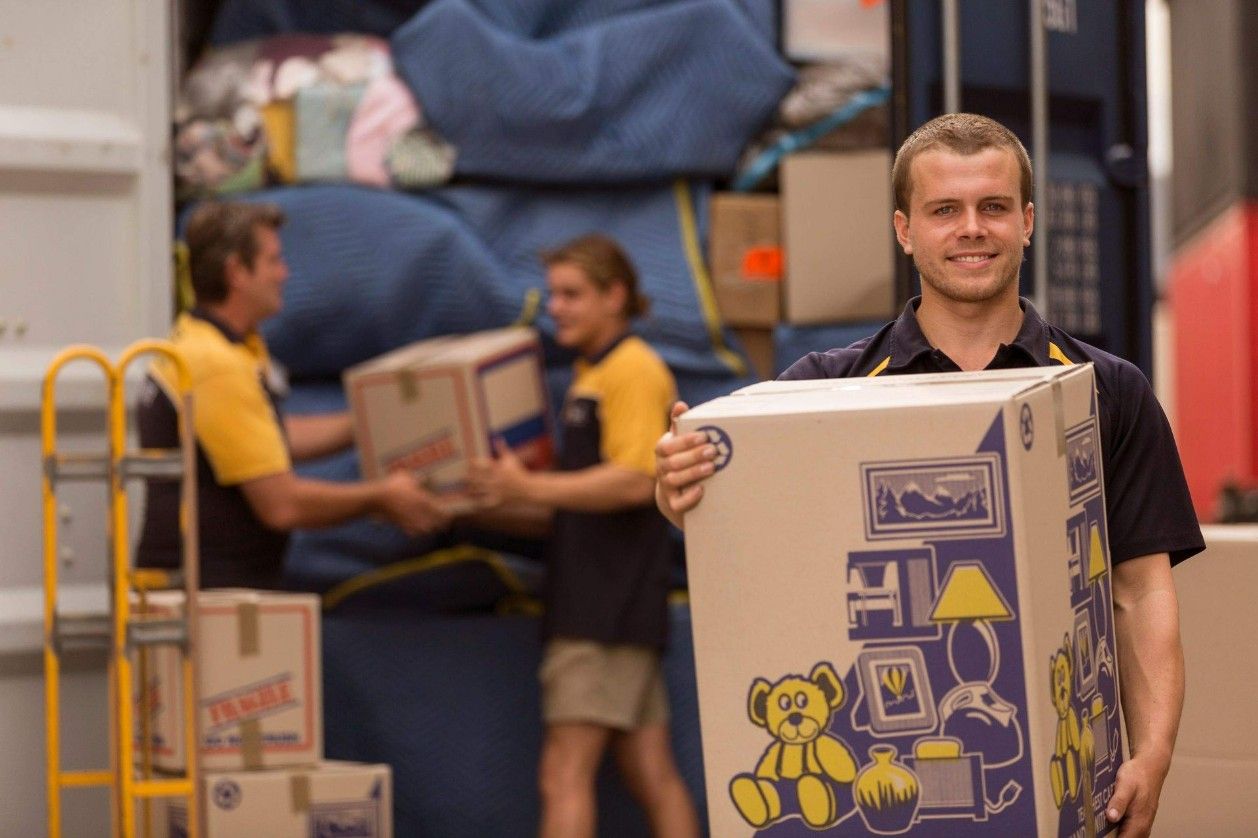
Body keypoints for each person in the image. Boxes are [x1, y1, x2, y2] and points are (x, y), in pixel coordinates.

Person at [655, 113, 1203, 838]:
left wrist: (1153, 755)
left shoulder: (1107, 391)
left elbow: (1140, 592)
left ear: (1027, 222)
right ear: (904, 230)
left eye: (993, 207)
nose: (971, 229)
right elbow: (743, 529)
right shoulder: (822, 391)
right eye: (945, 210)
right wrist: (681, 491)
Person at [467, 235, 700, 838]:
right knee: (651, 772)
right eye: (553, 296)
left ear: (614, 296)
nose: (557, 309)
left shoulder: (633, 369)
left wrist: (526, 487)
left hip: (602, 610)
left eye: (571, 295)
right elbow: (575, 504)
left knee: (563, 774)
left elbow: (634, 481)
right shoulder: (591, 372)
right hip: (615, 605)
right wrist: (490, 502)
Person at [136, 201, 451, 590]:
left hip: (212, 587)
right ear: (236, 272)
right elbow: (282, 506)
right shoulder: (215, 364)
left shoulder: (214, 342)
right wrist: (380, 498)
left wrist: (368, 422)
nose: (284, 274)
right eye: (273, 260)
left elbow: (270, 441)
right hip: (204, 594)